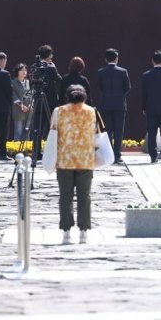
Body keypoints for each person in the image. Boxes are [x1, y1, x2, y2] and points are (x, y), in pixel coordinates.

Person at [51, 85, 97, 245]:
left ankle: (66, 232)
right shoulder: (91, 111)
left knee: (65, 196)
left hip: (65, 159)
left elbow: (52, 132)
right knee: (84, 196)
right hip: (85, 159)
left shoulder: (59, 111)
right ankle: (84, 231)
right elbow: (94, 131)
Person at [97, 48, 131, 164]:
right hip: (120, 105)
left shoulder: (101, 72)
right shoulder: (123, 71)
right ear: (116, 58)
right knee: (118, 131)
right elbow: (127, 87)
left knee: (108, 131)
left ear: (105, 59)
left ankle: (109, 155)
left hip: (106, 104)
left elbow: (100, 87)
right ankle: (117, 155)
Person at [11, 63, 31, 141]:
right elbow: (13, 95)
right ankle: (17, 151)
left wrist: (29, 105)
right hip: (18, 109)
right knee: (18, 131)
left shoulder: (27, 82)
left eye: (25, 70)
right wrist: (21, 105)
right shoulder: (13, 82)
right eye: (22, 70)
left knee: (26, 130)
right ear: (17, 72)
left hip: (28, 110)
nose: (24, 72)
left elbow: (30, 94)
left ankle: (26, 150)